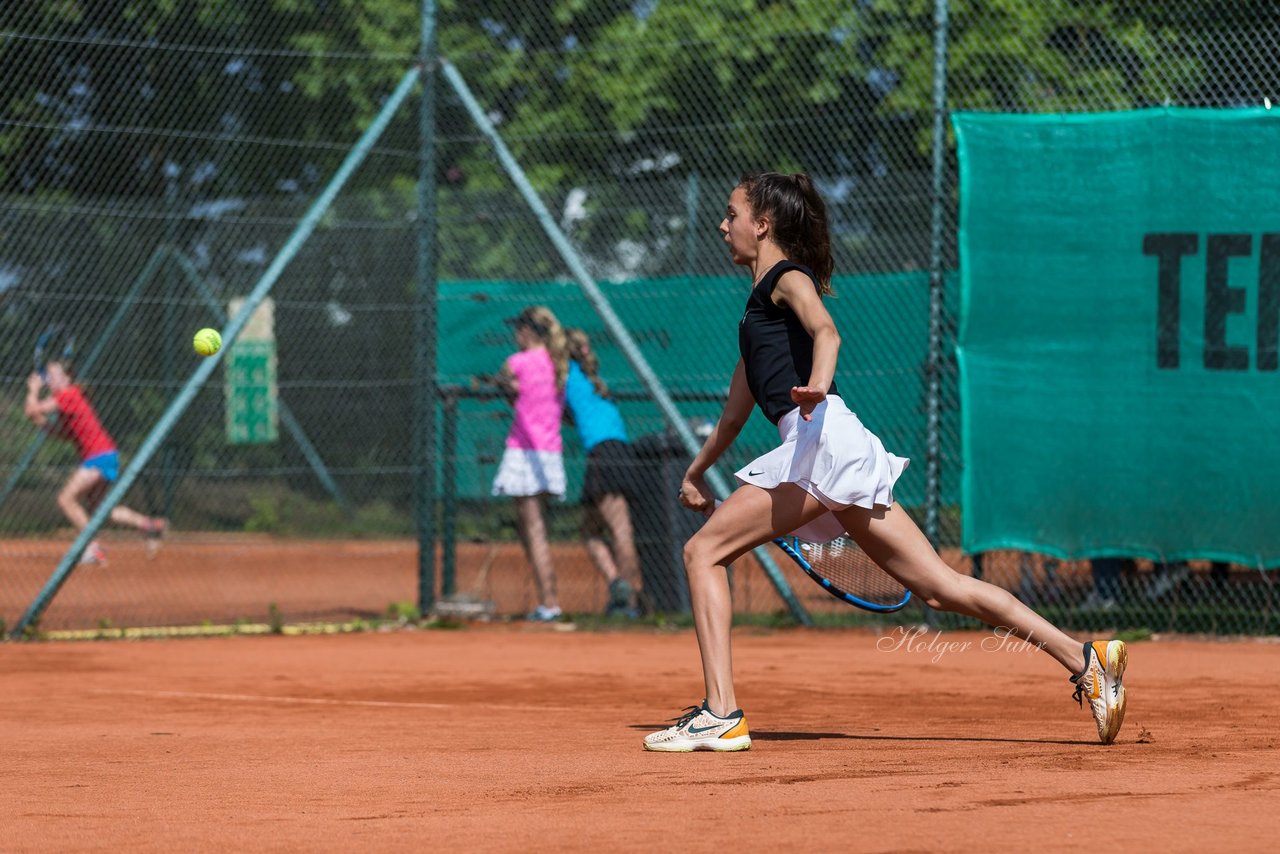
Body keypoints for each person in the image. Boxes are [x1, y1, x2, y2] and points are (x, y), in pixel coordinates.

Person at [642, 172, 1127, 752]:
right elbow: (731, 417)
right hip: (829, 446)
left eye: (732, 214)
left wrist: (817, 386)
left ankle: (720, 713)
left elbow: (828, 332)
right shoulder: (754, 319)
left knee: (703, 552)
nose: (723, 226)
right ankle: (1085, 658)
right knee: (942, 589)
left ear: (762, 224)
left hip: (821, 440)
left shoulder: (786, 279)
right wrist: (696, 472)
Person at [24, 358, 167, 565]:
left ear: (67, 378)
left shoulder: (68, 394)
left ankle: (93, 548)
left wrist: (33, 389)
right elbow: (65, 434)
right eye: (48, 375)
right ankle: (149, 525)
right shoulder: (67, 398)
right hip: (104, 455)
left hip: (98, 457)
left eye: (53, 375)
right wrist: (43, 424)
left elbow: (31, 410)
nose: (49, 379)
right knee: (102, 511)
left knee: (66, 499)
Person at [490, 306, 570, 622]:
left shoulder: (517, 363)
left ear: (528, 332)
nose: (514, 335)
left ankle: (549, 603)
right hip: (550, 453)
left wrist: (506, 387)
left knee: (533, 530)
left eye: (518, 329)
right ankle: (547, 600)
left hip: (525, 453)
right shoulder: (559, 364)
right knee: (534, 529)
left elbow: (506, 387)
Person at [563, 328, 642, 618]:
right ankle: (618, 585)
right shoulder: (594, 380)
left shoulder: (567, 373)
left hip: (603, 452)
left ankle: (629, 599)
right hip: (619, 450)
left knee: (621, 530)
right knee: (590, 529)